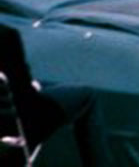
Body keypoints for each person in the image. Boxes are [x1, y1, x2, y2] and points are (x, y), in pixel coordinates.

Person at [0, 24, 106, 166]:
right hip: (18, 129)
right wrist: (32, 87)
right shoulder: (6, 35)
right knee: (87, 96)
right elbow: (24, 96)